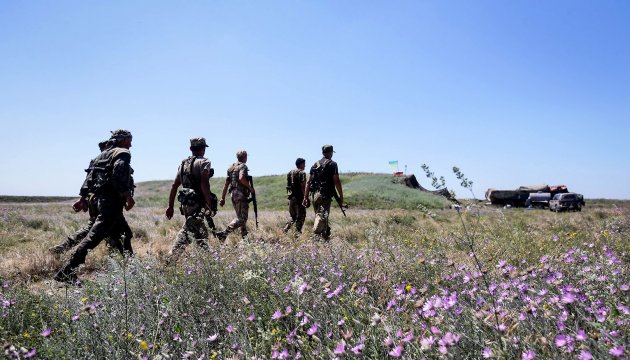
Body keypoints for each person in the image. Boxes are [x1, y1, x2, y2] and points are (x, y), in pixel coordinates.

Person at [53, 129, 135, 284]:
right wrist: (128, 196)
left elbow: (88, 179)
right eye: (130, 140)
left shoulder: (100, 156)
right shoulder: (122, 153)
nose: (131, 143)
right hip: (110, 202)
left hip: (96, 201)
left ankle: (133, 269)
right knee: (93, 237)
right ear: (124, 140)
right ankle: (67, 271)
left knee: (124, 234)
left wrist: (83, 198)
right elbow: (118, 174)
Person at [165, 137, 215, 263]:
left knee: (201, 234)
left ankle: (211, 261)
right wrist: (209, 203)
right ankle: (170, 260)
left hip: (186, 204)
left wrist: (170, 206)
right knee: (186, 232)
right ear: (203, 149)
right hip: (198, 204)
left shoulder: (183, 164)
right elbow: (204, 184)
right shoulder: (204, 162)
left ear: (191, 149)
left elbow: (174, 185)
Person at [303, 145, 343, 240]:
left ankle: (325, 241)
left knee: (322, 217)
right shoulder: (332, 164)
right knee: (321, 217)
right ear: (331, 152)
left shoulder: (315, 165)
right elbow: (336, 181)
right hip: (324, 195)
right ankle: (315, 237)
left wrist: (305, 197)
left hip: (314, 195)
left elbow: (308, 182)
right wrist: (341, 196)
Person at [217, 150, 254, 240]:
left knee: (240, 218)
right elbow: (241, 178)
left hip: (233, 194)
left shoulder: (231, 168)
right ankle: (224, 233)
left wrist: (222, 198)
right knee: (242, 219)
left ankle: (245, 239)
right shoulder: (243, 166)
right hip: (240, 195)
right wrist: (250, 188)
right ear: (245, 157)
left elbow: (226, 183)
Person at [282, 158, 307, 235]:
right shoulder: (302, 173)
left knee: (292, 217)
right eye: (304, 164)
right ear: (301, 164)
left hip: (291, 198)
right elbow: (303, 186)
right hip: (299, 199)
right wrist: (306, 197)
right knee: (301, 217)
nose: (305, 166)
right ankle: (297, 234)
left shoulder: (290, 173)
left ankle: (285, 229)